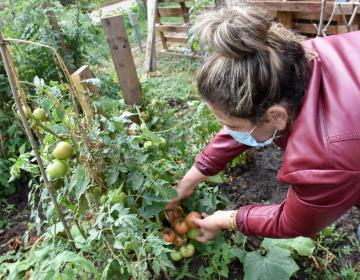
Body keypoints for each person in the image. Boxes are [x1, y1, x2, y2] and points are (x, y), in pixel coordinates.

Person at [167, 6, 360, 242]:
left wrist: (225, 219)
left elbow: (293, 222)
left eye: (233, 126)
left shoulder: (329, 155)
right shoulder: (286, 62)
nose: (230, 132)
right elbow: (245, 123)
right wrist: (188, 182)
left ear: (276, 116)